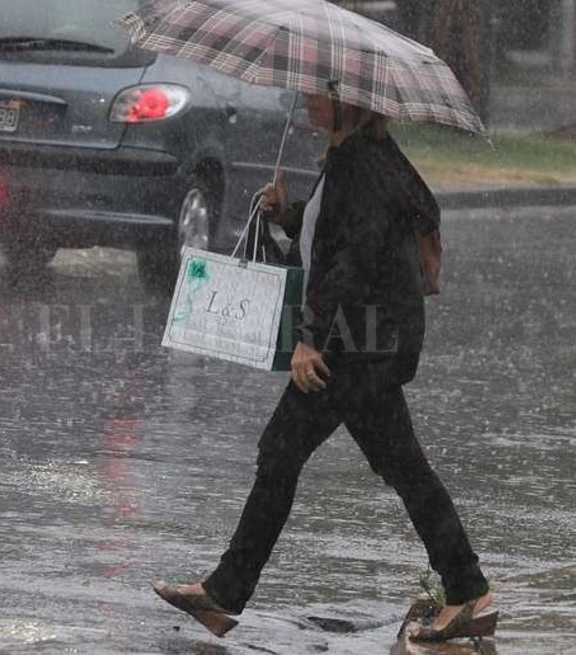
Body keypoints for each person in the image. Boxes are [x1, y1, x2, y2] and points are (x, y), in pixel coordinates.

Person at [152, 91, 497, 643]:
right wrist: (287, 214)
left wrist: (309, 340)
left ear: (351, 104)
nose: (308, 96)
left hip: (354, 348)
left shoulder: (360, 164)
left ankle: (224, 594)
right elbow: (332, 237)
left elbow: (353, 261)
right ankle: (467, 588)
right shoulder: (352, 157)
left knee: (286, 453)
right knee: (398, 467)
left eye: (322, 91)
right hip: (367, 345)